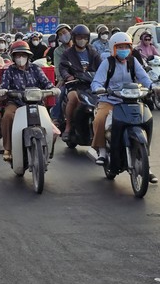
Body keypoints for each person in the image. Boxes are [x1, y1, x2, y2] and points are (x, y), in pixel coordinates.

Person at [91, 32, 157, 184]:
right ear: (113, 48)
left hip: (132, 99)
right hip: (111, 100)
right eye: (119, 47)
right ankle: (101, 151)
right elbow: (97, 81)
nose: (123, 50)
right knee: (100, 119)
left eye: (126, 47)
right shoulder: (107, 62)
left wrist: (152, 86)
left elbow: (143, 78)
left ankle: (146, 164)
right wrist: (99, 89)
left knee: (146, 120)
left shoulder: (133, 61)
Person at [0, 40, 56, 162]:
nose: (20, 58)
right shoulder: (9, 71)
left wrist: (53, 89)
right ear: (13, 57)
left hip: (36, 103)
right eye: (18, 55)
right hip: (16, 103)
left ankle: (48, 150)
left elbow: (46, 83)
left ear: (28, 56)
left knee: (52, 128)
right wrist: (3, 91)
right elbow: (4, 85)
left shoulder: (35, 69)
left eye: (23, 55)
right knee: (7, 116)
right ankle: (8, 148)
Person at [59, 24, 102, 141]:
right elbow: (62, 68)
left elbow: (102, 67)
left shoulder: (93, 52)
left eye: (84, 37)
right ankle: (68, 127)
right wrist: (68, 76)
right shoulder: (68, 53)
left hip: (92, 85)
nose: (82, 40)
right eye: (79, 37)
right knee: (72, 98)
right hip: (75, 85)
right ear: (74, 38)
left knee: (104, 99)